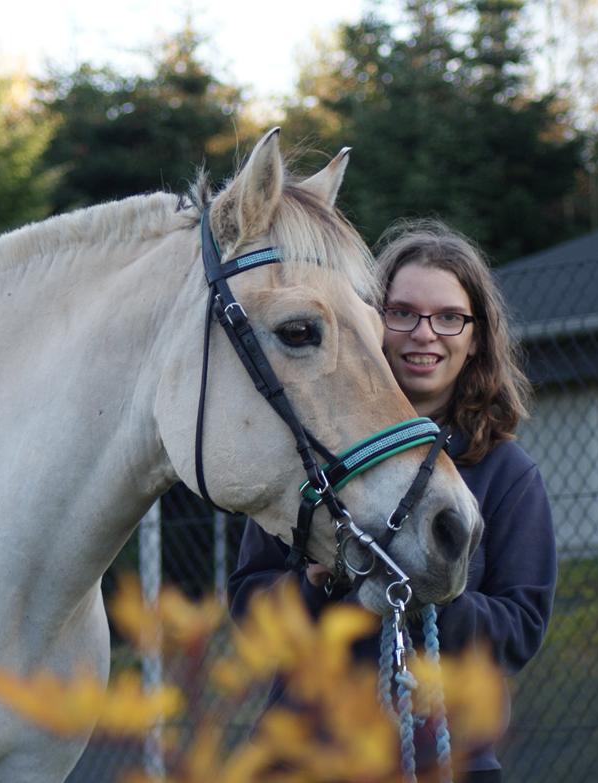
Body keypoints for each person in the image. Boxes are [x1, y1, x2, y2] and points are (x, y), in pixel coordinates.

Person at [228, 219, 557, 783]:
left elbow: (520, 628)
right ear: (370, 321)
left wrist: (429, 591)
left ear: (475, 337)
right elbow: (248, 605)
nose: (424, 333)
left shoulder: (506, 475)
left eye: (449, 317)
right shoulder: (312, 453)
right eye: (402, 312)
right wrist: (313, 588)